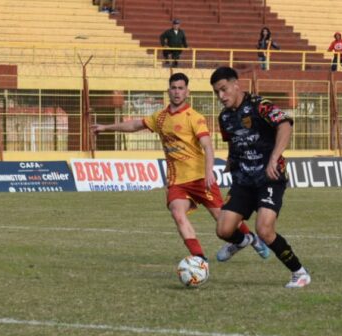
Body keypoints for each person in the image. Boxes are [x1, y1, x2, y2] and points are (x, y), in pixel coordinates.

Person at [92, 73, 269, 264]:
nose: (177, 92)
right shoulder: (160, 117)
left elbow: (208, 146)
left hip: (200, 177)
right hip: (177, 181)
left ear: (187, 92)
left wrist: (209, 171)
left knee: (223, 219)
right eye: (174, 88)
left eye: (181, 88)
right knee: (177, 213)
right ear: (168, 91)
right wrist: (106, 127)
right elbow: (135, 124)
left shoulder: (194, 117)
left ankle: (250, 239)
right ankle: (199, 259)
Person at [210, 66, 310, 288]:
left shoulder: (259, 105)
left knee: (264, 230)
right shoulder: (224, 117)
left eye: (224, 89)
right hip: (243, 181)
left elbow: (285, 124)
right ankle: (244, 240)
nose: (221, 96)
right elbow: (233, 141)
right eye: (217, 92)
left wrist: (274, 158)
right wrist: (230, 162)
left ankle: (299, 272)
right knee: (223, 230)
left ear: (236, 85)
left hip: (269, 178)